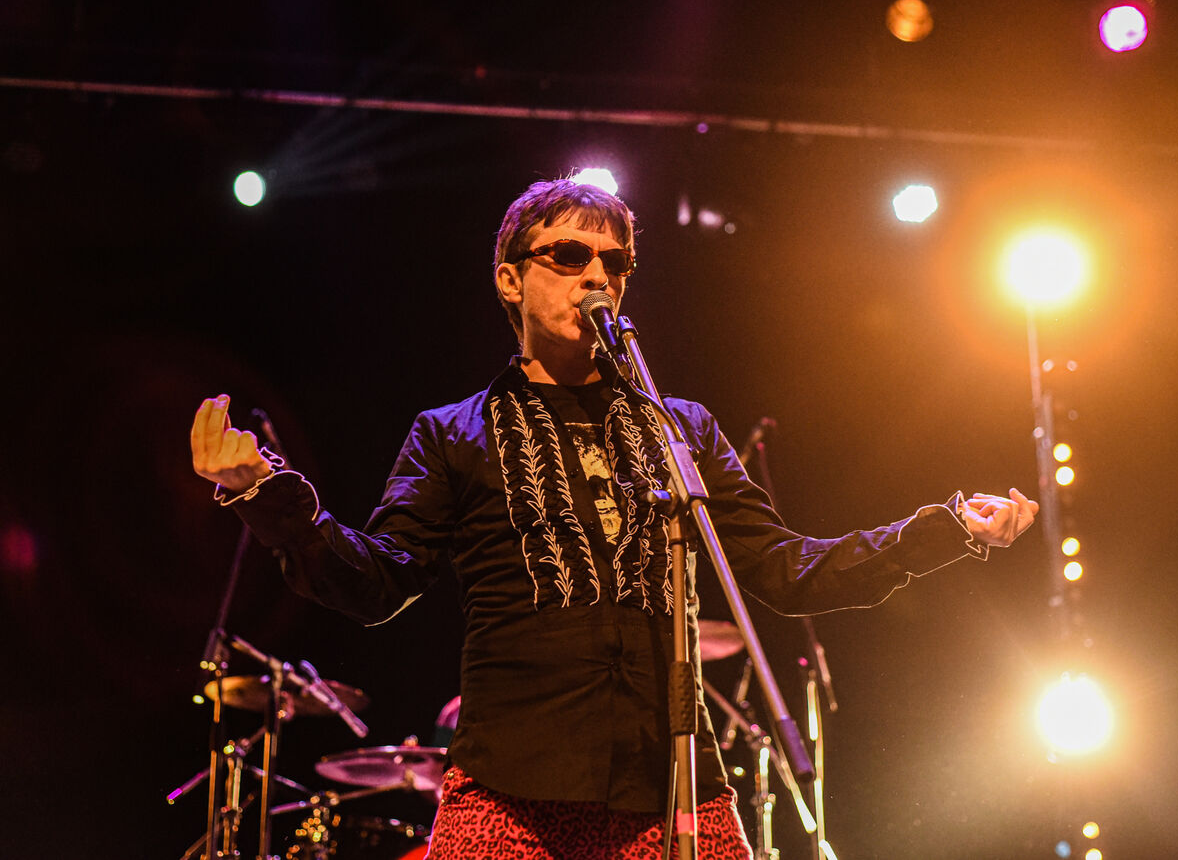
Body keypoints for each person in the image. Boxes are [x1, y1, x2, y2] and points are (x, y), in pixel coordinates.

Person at [190, 177, 1038, 860]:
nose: (597, 275)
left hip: (672, 783)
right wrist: (266, 498)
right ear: (511, 278)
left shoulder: (682, 429)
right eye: (568, 256)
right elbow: (376, 583)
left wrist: (947, 527)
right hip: (511, 791)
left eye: (615, 263)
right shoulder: (452, 433)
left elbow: (786, 570)